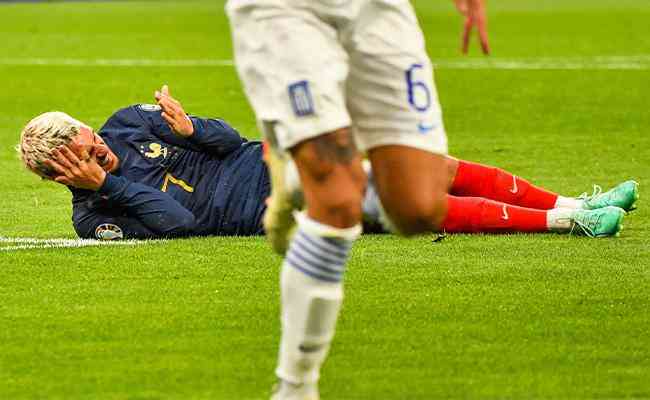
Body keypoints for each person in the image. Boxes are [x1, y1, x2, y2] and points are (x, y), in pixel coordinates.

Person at [224, 1, 632, 399]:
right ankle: (296, 385)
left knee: (418, 207)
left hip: (377, 10)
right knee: (338, 197)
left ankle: (296, 166)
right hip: (286, 11)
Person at [17, 87, 636, 242]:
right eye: (82, 156)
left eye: (87, 136)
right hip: (271, 206)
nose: (98, 148)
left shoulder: (128, 120)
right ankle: (571, 223)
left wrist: (192, 127)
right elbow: (179, 224)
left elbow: (225, 139)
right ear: (59, 175)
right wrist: (111, 183)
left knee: (427, 163)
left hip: (269, 157)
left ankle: (576, 204)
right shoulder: (93, 215)